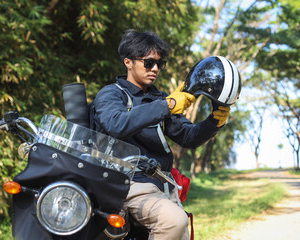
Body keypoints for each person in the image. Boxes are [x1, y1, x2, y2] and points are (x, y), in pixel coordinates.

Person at [92, 29, 230, 240]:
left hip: (161, 186)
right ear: (128, 62)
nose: (155, 68)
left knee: (180, 229)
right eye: (149, 63)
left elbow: (187, 137)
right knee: (174, 221)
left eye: (159, 64)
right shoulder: (112, 93)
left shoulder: (160, 98)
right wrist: (167, 105)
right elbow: (115, 124)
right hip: (127, 184)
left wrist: (214, 123)